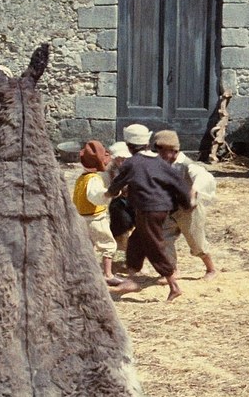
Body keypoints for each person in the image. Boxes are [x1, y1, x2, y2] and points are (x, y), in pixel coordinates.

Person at [106, 124, 192, 302]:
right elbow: (178, 182)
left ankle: (173, 285)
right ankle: (131, 279)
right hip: (161, 209)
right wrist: (186, 203)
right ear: (146, 144)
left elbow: (118, 183)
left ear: (129, 146)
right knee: (136, 241)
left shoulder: (132, 163)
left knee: (154, 245)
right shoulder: (160, 162)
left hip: (148, 209)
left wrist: (109, 193)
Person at [152, 130, 218, 282]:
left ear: (174, 150)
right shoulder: (161, 163)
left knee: (196, 242)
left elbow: (203, 177)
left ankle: (211, 269)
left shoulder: (186, 165)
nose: (160, 155)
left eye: (163, 151)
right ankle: (173, 270)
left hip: (189, 210)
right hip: (170, 208)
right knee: (164, 238)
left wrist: (194, 191)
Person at [72, 140, 124, 286]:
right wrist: (109, 193)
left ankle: (85, 271)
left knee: (88, 245)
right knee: (108, 245)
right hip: (95, 218)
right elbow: (95, 197)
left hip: (81, 217)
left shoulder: (81, 178)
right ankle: (108, 274)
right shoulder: (93, 179)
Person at [105, 141, 134, 251]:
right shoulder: (111, 169)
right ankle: (120, 239)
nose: (121, 162)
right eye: (118, 159)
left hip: (134, 198)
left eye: (124, 159)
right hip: (119, 198)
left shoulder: (134, 166)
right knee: (118, 213)